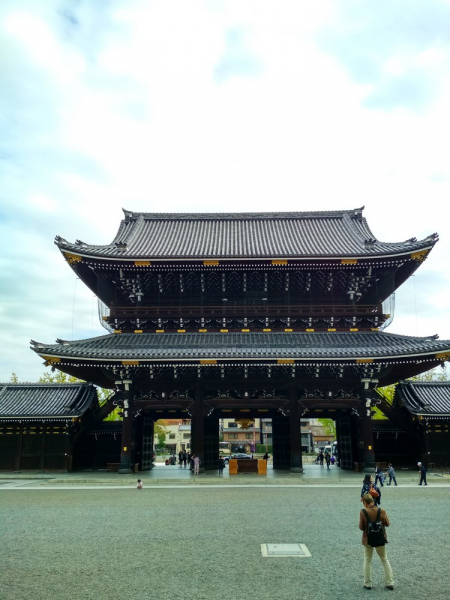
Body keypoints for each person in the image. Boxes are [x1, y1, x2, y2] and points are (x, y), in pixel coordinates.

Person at [359, 493, 394, 590]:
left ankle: (368, 583)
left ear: (365, 503)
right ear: (373, 501)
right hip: (380, 538)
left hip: (368, 539)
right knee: (384, 559)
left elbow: (361, 527)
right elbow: (387, 524)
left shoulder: (363, 512)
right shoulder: (381, 510)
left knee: (367, 560)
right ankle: (389, 582)